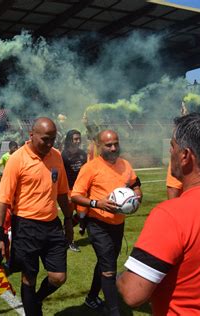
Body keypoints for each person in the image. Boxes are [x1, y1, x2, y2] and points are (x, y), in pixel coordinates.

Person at [117, 113, 200, 315]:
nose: (170, 152)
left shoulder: (172, 215)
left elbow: (133, 293)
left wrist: (119, 277)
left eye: (173, 146)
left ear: (185, 156)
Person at [0, 117, 73, 316]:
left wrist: (69, 221)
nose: (49, 144)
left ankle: (35, 300)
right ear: (32, 135)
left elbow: (63, 192)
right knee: (29, 277)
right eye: (45, 139)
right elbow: (3, 200)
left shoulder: (56, 156)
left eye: (53, 139)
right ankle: (32, 310)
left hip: (53, 225)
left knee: (58, 277)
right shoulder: (17, 159)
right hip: (26, 227)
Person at [71, 130, 142, 316]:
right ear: (99, 146)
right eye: (108, 145)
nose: (113, 148)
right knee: (109, 268)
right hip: (97, 223)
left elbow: (135, 182)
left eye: (115, 144)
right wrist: (97, 203)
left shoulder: (125, 164)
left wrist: (138, 194)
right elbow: (75, 195)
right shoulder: (90, 168)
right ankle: (114, 312)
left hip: (118, 224)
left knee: (106, 262)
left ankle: (91, 297)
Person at [61, 130, 87, 252]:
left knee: (83, 214)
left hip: (81, 190)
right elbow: (62, 174)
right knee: (68, 216)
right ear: (69, 140)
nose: (77, 141)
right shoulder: (64, 155)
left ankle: (64, 229)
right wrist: (65, 191)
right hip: (69, 190)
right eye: (75, 139)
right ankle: (69, 242)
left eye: (79, 139)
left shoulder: (83, 154)